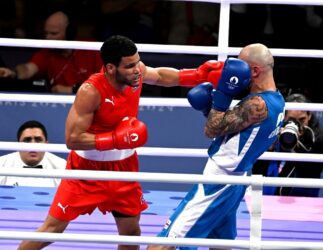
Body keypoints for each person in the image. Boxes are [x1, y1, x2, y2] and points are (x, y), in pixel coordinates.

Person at [17, 34, 225, 250]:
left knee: (131, 234)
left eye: (138, 62)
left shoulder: (136, 74)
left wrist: (198, 75)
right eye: (129, 66)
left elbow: (162, 76)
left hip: (124, 167)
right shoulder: (91, 91)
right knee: (51, 231)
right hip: (86, 171)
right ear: (110, 68)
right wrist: (115, 139)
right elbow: (72, 139)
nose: (138, 69)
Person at [147, 43, 285, 250]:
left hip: (219, 182)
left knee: (166, 242)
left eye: (242, 65)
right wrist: (208, 109)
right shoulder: (277, 100)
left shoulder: (257, 104)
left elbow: (211, 129)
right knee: (220, 243)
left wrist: (222, 95)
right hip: (238, 178)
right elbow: (230, 130)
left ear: (255, 71)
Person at [0, 11, 102, 94]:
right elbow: (27, 69)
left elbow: (107, 83)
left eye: (54, 33)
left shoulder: (91, 48)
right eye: (46, 33)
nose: (48, 38)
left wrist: (71, 90)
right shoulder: (47, 52)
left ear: (69, 32)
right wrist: (13, 73)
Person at [252, 93, 323, 197]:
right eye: (291, 120)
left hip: (304, 195)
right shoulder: (273, 130)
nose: (297, 124)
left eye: (302, 120)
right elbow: (257, 171)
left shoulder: (318, 138)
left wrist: (297, 145)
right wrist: (270, 146)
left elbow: (313, 172)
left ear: (309, 116)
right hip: (271, 196)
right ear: (283, 116)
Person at [0, 120, 66, 187]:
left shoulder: (62, 167)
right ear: (18, 145)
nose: (33, 145)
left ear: (46, 144)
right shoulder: (1, 165)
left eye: (38, 140)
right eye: (27, 140)